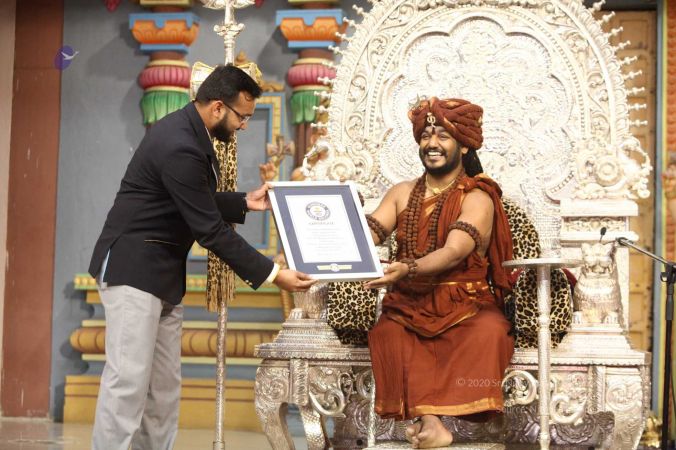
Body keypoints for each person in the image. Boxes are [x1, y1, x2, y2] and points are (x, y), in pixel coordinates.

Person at [88, 65, 315, 450]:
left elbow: (190, 199)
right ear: (217, 107)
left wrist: (244, 201)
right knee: (127, 383)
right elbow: (209, 230)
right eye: (242, 116)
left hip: (161, 275)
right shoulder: (179, 143)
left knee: (163, 391)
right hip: (133, 271)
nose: (244, 126)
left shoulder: (189, 134)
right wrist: (275, 274)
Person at [363, 97, 514, 448]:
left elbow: (453, 251)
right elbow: (369, 234)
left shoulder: (478, 196)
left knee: (489, 331)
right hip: (409, 302)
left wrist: (408, 268)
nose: (431, 143)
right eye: (425, 136)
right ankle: (431, 423)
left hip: (466, 303)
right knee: (389, 332)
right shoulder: (402, 193)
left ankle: (432, 423)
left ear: (464, 145)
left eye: (443, 136)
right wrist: (326, 230)